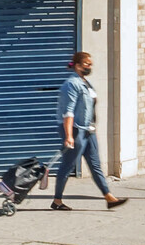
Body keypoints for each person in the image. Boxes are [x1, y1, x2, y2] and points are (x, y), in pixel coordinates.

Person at [52, 51, 125, 210]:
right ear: (78, 65)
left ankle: (109, 197)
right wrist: (69, 136)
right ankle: (57, 201)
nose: (90, 66)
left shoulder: (85, 82)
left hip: (88, 130)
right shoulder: (72, 84)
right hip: (75, 130)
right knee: (67, 165)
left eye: (90, 64)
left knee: (95, 165)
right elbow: (68, 111)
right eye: (87, 64)